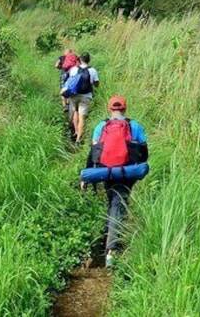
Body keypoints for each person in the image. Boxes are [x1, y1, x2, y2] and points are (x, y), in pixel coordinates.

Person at [85, 95, 148, 268]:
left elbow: (93, 152)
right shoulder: (134, 126)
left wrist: (88, 173)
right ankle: (111, 251)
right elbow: (144, 152)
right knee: (118, 203)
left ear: (109, 109)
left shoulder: (101, 126)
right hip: (128, 172)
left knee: (113, 200)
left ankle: (106, 235)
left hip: (105, 171)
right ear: (125, 109)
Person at [61, 52, 99, 143]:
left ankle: (76, 131)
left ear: (80, 60)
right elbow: (96, 84)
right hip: (86, 96)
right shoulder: (93, 70)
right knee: (82, 117)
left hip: (74, 95)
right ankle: (78, 139)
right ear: (88, 60)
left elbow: (69, 81)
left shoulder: (73, 69)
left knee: (75, 112)